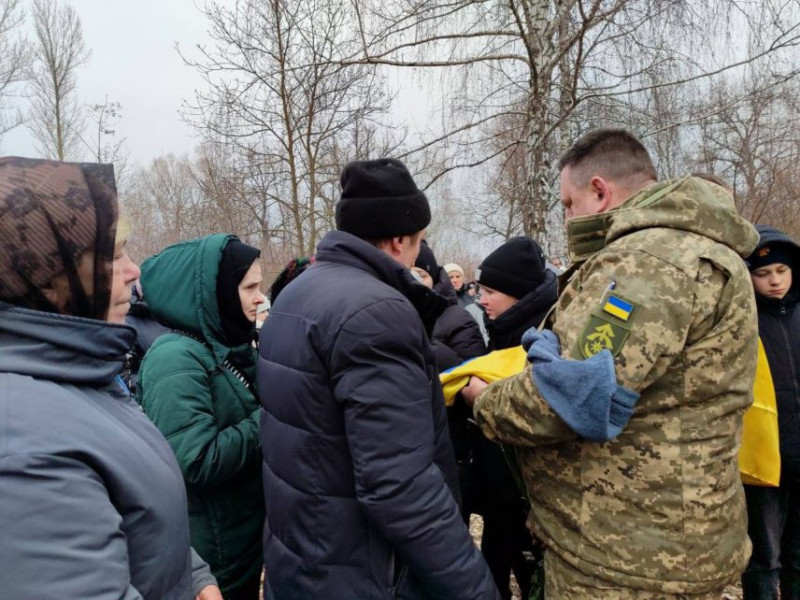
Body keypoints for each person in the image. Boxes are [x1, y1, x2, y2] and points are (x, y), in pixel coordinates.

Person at [463, 129, 760, 598]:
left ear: (600, 191)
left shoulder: (647, 262)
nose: (567, 218)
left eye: (567, 203)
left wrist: (483, 401)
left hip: (627, 556)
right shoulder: (693, 251)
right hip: (663, 539)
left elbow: (568, 398)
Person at [258, 158, 500, 599]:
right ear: (396, 240)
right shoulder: (377, 312)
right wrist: (474, 588)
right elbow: (399, 486)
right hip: (363, 576)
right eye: (418, 241)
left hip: (302, 562)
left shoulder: (296, 293)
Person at [0, 157, 221, 600]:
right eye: (113, 255)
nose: (134, 270)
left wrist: (193, 577)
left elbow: (134, 506)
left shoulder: (80, 373)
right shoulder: (23, 447)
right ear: (51, 279)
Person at [138, 234, 265, 600]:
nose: (260, 297)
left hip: (239, 539)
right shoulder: (174, 357)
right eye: (249, 287)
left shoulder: (224, 347)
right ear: (218, 292)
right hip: (213, 550)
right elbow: (194, 460)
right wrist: (269, 420)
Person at [472, 235, 558, 599]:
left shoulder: (543, 336)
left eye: (489, 291)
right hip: (500, 494)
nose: (480, 299)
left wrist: (482, 396)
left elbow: (543, 412)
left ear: (518, 294)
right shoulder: (504, 328)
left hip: (531, 502)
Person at [741, 225, 800, 600]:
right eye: (763, 274)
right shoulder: (743, 322)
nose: (774, 281)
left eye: (781, 271)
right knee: (763, 558)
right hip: (763, 462)